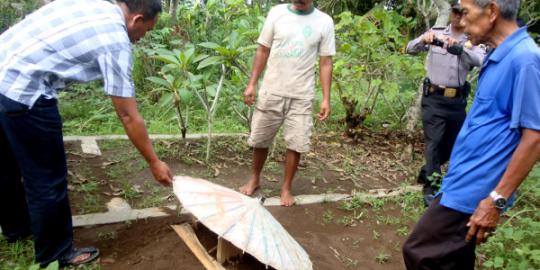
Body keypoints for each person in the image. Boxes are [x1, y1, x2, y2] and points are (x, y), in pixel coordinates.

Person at [0, 0, 172, 267]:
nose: (141, 37)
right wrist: (154, 161)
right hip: (25, 91)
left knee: (6, 166)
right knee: (46, 179)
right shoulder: (116, 41)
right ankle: (55, 254)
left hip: (4, 73)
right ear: (136, 20)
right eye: (146, 31)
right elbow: (128, 115)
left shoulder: (95, 6)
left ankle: (16, 229)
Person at [402, 0, 540, 268]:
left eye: (465, 13)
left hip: (474, 190)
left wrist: (495, 200)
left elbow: (534, 137)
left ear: (491, 11)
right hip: (460, 178)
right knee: (455, 259)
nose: (460, 22)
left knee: (419, 252)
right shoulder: (498, 54)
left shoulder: (525, 59)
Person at [239, 0, 335, 206]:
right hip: (272, 89)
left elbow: (326, 61)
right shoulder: (276, 13)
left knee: (296, 143)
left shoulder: (324, 22)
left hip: (301, 94)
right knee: (260, 139)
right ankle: (255, 178)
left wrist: (326, 98)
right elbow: (262, 50)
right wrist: (252, 84)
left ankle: (286, 188)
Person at [406, 0, 485, 206]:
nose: (458, 16)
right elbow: (409, 48)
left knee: (452, 144)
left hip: (457, 101)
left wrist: (460, 50)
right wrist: (425, 39)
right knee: (434, 141)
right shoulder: (437, 31)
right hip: (433, 97)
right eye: (455, 11)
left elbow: (480, 60)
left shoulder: (473, 38)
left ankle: (427, 170)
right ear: (451, 12)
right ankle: (431, 187)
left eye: (462, 12)